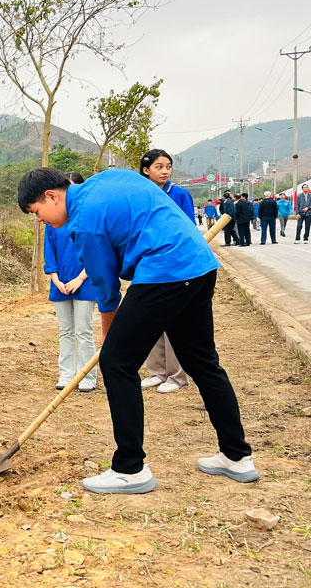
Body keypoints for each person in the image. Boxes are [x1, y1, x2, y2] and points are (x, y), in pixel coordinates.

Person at [18, 167, 258, 495]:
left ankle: (130, 468)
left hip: (165, 270)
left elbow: (106, 290)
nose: (40, 220)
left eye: (37, 213)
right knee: (202, 362)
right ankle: (237, 456)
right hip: (198, 264)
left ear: (52, 196)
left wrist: (110, 340)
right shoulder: (107, 179)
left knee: (117, 363)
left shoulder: (84, 222)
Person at [139, 150, 191, 394]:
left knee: (173, 322)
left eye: (168, 166)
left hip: (175, 267)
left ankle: (177, 376)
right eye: (159, 166)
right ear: (145, 170)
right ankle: (157, 372)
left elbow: (188, 230)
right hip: (149, 266)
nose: (165, 171)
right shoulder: (141, 195)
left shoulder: (179, 195)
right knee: (150, 321)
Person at [44, 171, 98, 392]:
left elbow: (96, 253)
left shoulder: (87, 217)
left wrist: (80, 278)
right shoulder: (53, 221)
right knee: (65, 330)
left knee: (83, 330)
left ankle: (87, 376)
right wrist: (56, 279)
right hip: (60, 284)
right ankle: (67, 373)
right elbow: (50, 253)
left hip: (85, 283)